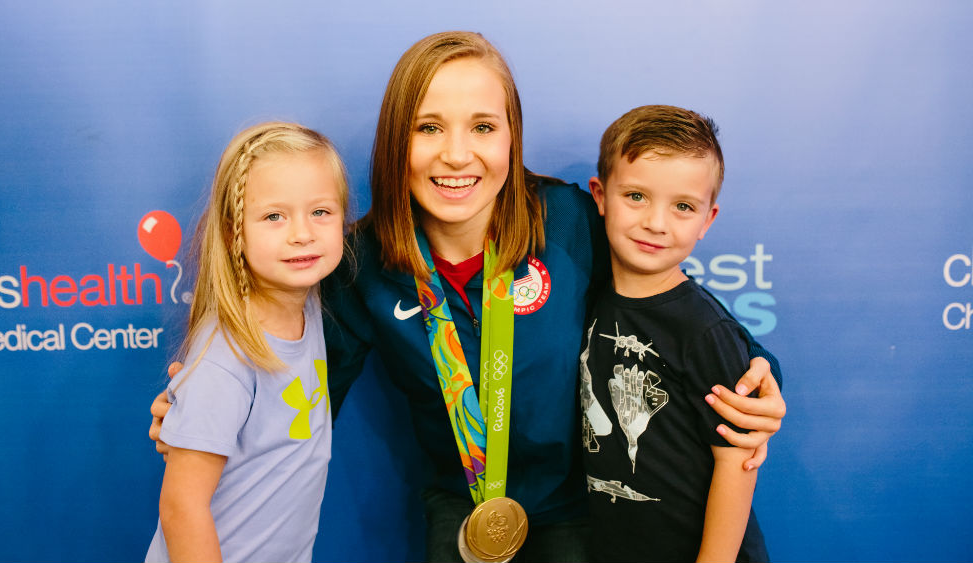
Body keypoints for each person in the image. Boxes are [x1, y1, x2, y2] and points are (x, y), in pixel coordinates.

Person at [150, 32, 785, 562]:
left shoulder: (569, 222)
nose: (457, 155)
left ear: (512, 136)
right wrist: (205, 416)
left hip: (579, 508)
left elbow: (672, 310)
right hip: (461, 509)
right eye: (429, 127)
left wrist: (760, 378)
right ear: (396, 140)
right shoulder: (359, 264)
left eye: (483, 126)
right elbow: (305, 390)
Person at [145, 122, 349, 563]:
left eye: (321, 212)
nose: (302, 233)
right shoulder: (227, 359)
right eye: (274, 216)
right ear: (233, 231)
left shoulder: (307, 301)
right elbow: (182, 509)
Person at [581, 105, 771, 562]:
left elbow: (738, 459)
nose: (656, 223)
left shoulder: (704, 329)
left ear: (708, 219)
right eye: (636, 196)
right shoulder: (590, 296)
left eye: (683, 206)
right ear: (600, 195)